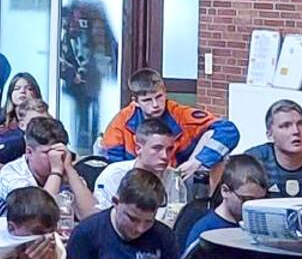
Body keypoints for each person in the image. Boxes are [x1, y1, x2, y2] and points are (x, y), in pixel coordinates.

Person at [99, 68, 238, 178]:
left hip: (179, 176)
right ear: (135, 101)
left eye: (159, 97)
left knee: (212, 136)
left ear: (165, 92)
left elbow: (228, 130)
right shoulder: (120, 123)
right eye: (147, 100)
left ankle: (209, 203)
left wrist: (197, 162)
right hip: (137, 182)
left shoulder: (180, 114)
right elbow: (114, 166)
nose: (155, 105)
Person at [0, 115, 96, 223]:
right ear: (29, 152)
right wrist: (55, 173)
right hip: (1, 237)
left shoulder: (67, 173)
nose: (57, 157)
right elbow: (37, 218)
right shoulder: (12, 176)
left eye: (61, 151)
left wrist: (70, 171)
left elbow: (92, 217)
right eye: (48, 152)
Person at [91, 123, 187, 221]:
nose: (165, 156)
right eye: (157, 148)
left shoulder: (173, 178)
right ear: (138, 149)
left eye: (169, 149)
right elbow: (103, 219)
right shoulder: (114, 176)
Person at [244, 99, 302, 197]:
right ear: (270, 136)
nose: (296, 131)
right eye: (286, 126)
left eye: (301, 124)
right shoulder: (254, 161)